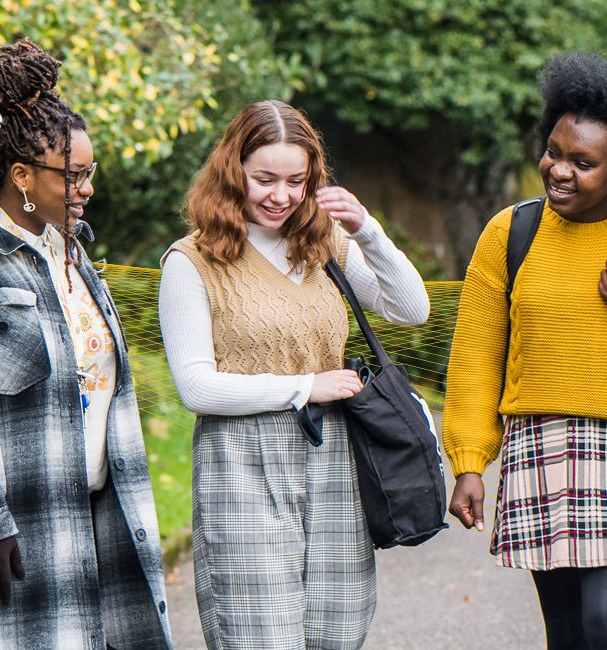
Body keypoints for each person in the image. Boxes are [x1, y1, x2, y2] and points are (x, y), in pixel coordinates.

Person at [0, 39, 171, 648]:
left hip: (99, 525)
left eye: (89, 172)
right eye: (72, 175)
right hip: (9, 541)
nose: (86, 189)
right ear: (21, 175)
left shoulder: (74, 257)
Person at [441, 52, 607, 650]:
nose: (560, 170)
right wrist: (469, 461)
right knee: (565, 634)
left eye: (584, 163)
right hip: (537, 445)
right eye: (554, 152)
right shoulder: (510, 234)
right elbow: (476, 356)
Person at [159, 99, 430, 649]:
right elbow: (195, 387)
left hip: (332, 460)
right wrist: (307, 387)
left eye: (296, 181)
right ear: (234, 172)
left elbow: (411, 307)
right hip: (240, 465)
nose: (281, 196)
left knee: (337, 628)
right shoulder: (191, 262)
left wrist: (367, 230)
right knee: (259, 632)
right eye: (264, 179)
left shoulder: (323, 243)